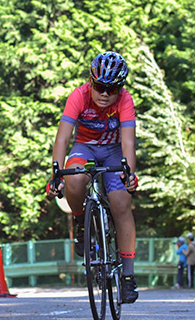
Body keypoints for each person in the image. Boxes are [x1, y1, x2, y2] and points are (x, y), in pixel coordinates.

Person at [46, 51, 139, 303]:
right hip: (84, 147)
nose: (105, 94)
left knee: (121, 203)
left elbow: (128, 142)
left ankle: (128, 278)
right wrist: (55, 173)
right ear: (90, 81)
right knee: (73, 180)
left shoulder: (125, 101)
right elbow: (63, 137)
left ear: (120, 89)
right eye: (99, 86)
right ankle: (81, 223)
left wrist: (129, 173)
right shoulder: (78, 95)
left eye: (112, 89)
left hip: (113, 152)